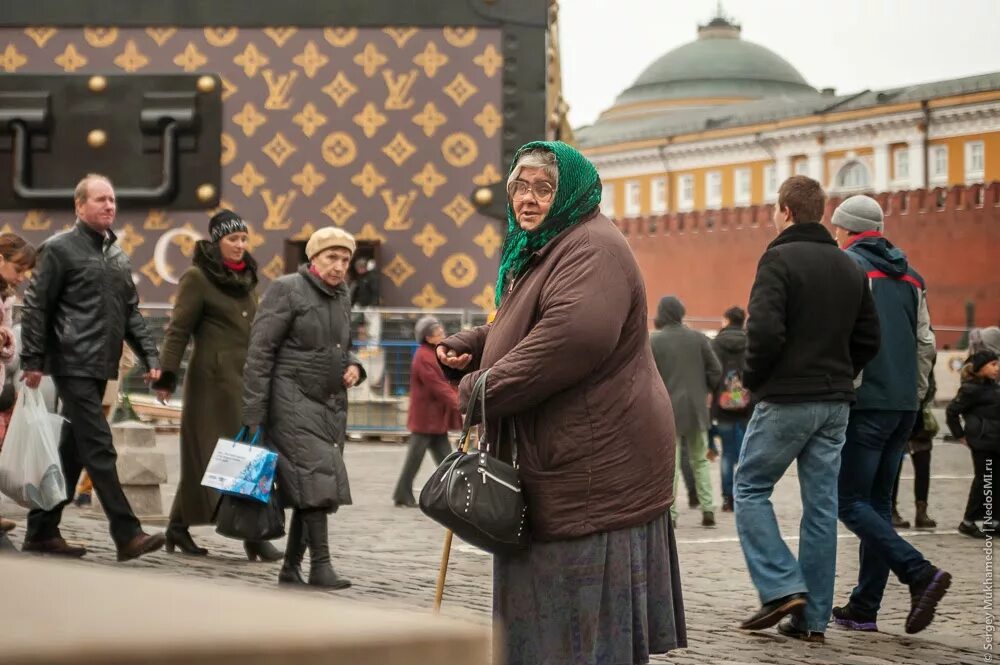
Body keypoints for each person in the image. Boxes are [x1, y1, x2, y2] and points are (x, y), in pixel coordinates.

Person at [437, 141, 686, 664]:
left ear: (570, 191)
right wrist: (476, 345)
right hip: (570, 455)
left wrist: (480, 390)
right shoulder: (547, 246)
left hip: (596, 463)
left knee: (581, 631)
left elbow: (572, 338)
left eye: (543, 188)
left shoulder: (590, 248)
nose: (527, 200)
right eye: (519, 187)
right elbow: (525, 325)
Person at [734, 176, 881, 643]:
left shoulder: (777, 258)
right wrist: (839, 375)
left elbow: (765, 334)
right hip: (836, 403)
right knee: (821, 508)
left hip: (787, 398)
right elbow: (869, 340)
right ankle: (812, 619)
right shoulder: (849, 267)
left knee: (750, 487)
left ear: (785, 210)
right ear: (820, 212)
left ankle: (781, 586)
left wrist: (756, 382)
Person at [20, 174, 165, 561]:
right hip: (70, 361)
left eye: (113, 200)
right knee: (99, 445)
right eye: (101, 200)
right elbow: (36, 306)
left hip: (101, 364)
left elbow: (130, 312)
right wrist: (32, 360)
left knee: (75, 450)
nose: (110, 206)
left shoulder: (117, 255)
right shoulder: (58, 249)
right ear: (79, 206)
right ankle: (127, 532)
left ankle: (41, 530)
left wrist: (152, 357)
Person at [830, 195, 949, 636]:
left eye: (837, 228)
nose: (835, 235)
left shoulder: (850, 269)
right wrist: (915, 396)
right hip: (903, 405)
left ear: (848, 229)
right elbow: (927, 345)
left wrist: (853, 388)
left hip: (869, 403)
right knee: (877, 505)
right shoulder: (912, 277)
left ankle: (919, 572)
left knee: (849, 501)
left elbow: (845, 336)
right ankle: (864, 608)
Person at [153, 209, 280, 562]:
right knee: (225, 456)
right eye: (232, 239)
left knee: (240, 453)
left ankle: (179, 527)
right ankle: (252, 536)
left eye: (243, 239)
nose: (239, 245)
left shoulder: (249, 278)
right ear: (216, 241)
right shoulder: (197, 278)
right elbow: (178, 330)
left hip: (247, 378)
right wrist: (166, 375)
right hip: (211, 382)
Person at [242, 226, 365, 589]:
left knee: (311, 484)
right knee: (315, 480)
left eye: (345, 259)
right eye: (331, 257)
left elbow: (343, 345)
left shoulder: (341, 295)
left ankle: (291, 569)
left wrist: (354, 365)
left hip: (326, 403)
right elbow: (259, 353)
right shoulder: (286, 290)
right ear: (313, 258)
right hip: (289, 400)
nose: (339, 266)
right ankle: (320, 567)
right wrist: (253, 414)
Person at [650, 295, 721, 527]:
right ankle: (708, 508)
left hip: (667, 411)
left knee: (670, 464)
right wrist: (704, 390)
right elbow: (716, 370)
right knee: (700, 460)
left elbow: (647, 376)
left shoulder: (655, 341)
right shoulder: (699, 338)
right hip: (696, 409)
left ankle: (670, 515)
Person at [391, 316, 459, 507]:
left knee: (446, 459)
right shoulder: (424, 356)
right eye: (438, 332)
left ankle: (453, 494)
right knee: (423, 460)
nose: (442, 334)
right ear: (428, 338)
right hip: (425, 419)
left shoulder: (432, 354)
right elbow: (439, 386)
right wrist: (460, 402)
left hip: (434, 419)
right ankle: (404, 493)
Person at [0, 233, 37, 548]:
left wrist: (6, 342)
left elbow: (10, 348)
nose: (22, 276)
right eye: (18, 268)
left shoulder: (6, 297)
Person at [946, 350, 1000, 539]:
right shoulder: (970, 389)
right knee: (983, 481)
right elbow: (952, 412)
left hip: (996, 441)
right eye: (993, 364)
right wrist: (960, 435)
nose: (997, 368)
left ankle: (992, 521)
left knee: (996, 481)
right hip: (983, 442)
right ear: (979, 368)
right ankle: (968, 521)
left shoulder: (994, 387)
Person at [711, 306, 752, 513]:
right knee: (748, 451)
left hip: (723, 404)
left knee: (727, 452)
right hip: (747, 405)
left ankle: (728, 499)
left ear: (727, 320)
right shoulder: (751, 342)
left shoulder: (716, 343)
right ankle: (746, 494)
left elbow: (711, 372)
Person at [891, 360, 938, 530]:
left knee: (923, 468)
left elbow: (931, 387)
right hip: (899, 418)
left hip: (919, 424)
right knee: (893, 468)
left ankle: (921, 512)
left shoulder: (925, 365)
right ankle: (891, 510)